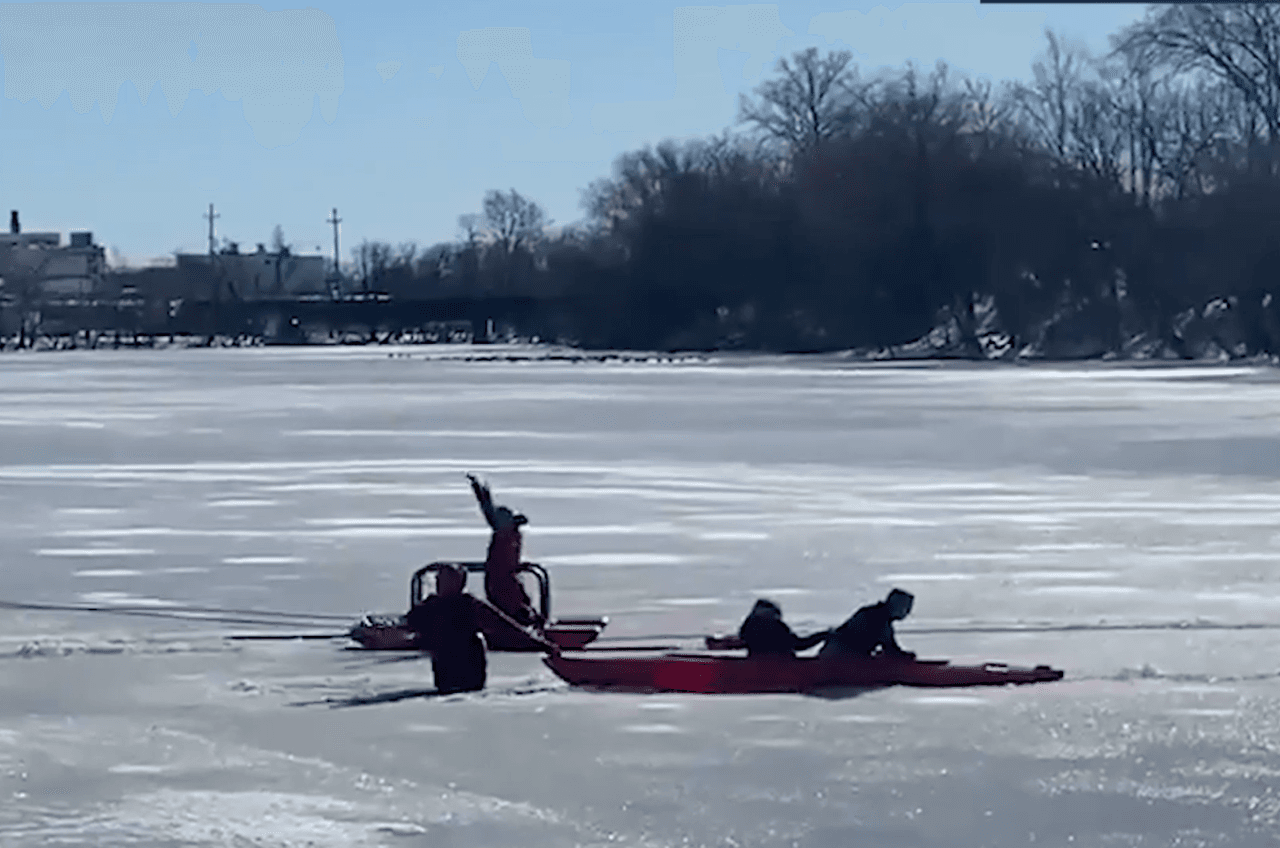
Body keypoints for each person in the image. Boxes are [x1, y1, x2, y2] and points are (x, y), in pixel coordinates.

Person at [405, 564, 557, 694]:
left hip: (469, 668)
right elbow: (406, 627)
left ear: (459, 583)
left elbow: (506, 627)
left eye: (445, 580)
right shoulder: (429, 607)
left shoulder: (470, 605)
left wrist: (540, 644)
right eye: (439, 580)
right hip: (445, 671)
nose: (439, 584)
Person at [467, 473, 543, 628]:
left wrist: (481, 490)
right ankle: (519, 626)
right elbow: (487, 508)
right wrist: (480, 489)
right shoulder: (502, 531)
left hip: (508, 577)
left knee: (519, 602)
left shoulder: (511, 532)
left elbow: (488, 508)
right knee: (508, 606)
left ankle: (529, 624)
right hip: (499, 578)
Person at [818, 588, 916, 660]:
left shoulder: (876, 615)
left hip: (837, 653)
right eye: (906, 609)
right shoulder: (879, 620)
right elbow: (891, 650)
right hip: (839, 658)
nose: (906, 613)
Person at [737, 598, 831, 658]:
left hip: (756, 664)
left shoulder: (748, 627)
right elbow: (798, 644)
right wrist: (823, 636)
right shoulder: (775, 627)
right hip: (782, 666)